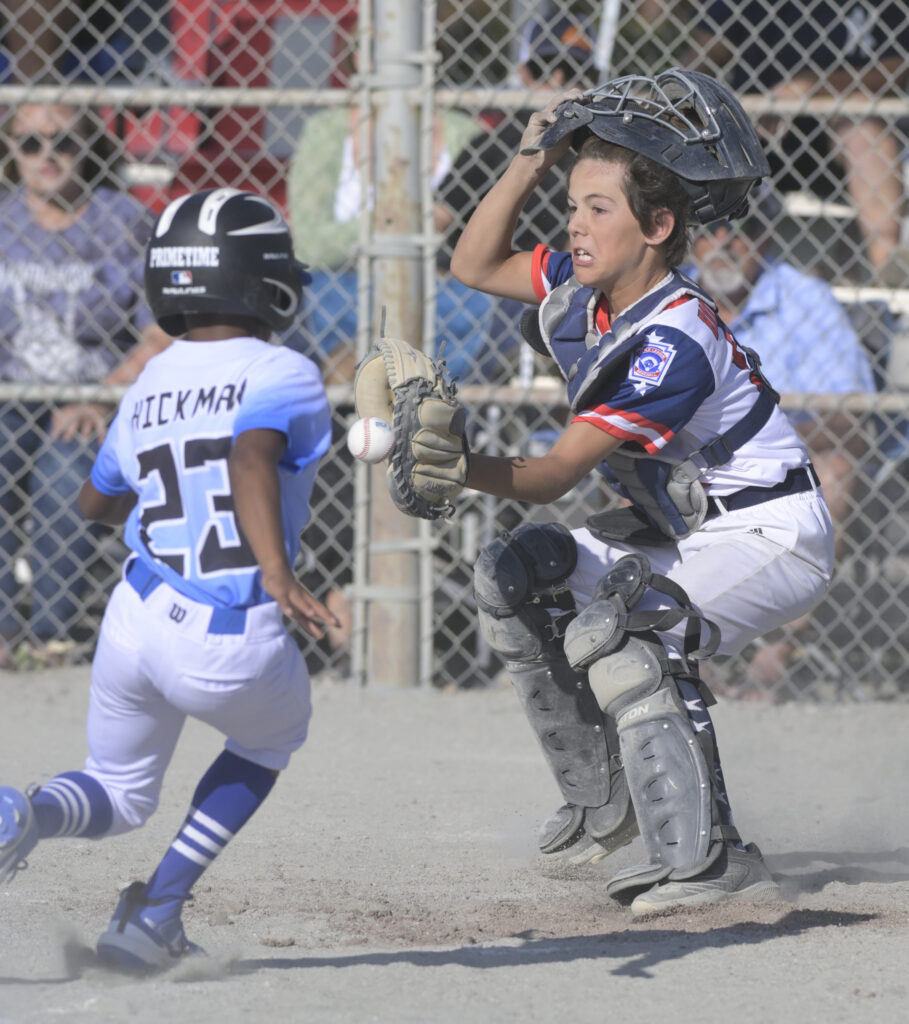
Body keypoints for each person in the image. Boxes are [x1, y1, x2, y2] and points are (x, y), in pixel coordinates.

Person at [444, 69, 835, 914]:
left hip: (767, 533)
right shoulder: (586, 296)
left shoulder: (670, 340)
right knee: (516, 572)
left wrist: (453, 463)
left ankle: (712, 858)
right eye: (574, 203)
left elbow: (550, 475)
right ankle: (606, 810)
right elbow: (471, 261)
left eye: (598, 210)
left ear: (657, 227)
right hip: (683, 526)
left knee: (633, 629)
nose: (575, 225)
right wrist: (532, 154)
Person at [0, 187, 339, 972]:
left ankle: (28, 811)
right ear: (264, 279)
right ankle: (156, 910)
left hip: (135, 616)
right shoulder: (284, 367)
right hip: (230, 630)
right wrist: (279, 572)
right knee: (271, 737)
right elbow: (250, 454)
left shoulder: (150, 380)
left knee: (116, 793)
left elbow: (94, 499)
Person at [0, 100, 172, 666]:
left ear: (87, 147)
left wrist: (100, 396)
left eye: (63, 141)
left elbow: (161, 335)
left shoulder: (120, 220)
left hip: (98, 396)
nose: (47, 156)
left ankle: (52, 634)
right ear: (11, 152)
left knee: (64, 472)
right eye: (30, 143)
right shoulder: (4, 223)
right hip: (12, 395)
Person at [690, 202, 876, 689]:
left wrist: (752, 442)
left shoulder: (804, 298)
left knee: (835, 468)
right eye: (713, 228)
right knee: (632, 472)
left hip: (789, 460)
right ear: (691, 238)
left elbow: (849, 421)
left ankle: (775, 650)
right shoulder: (672, 296)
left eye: (743, 228)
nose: (727, 240)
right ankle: (685, 645)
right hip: (689, 459)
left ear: (766, 238)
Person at [287, 64, 480, 388]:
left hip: (442, 289)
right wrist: (398, 221)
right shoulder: (326, 131)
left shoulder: (465, 133)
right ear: (357, 60)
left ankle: (430, 408)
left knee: (469, 304)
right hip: (344, 285)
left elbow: (475, 243)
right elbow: (309, 245)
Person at [692, 1, 909, 285]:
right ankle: (702, 282)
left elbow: (896, 69)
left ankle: (891, 273)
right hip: (760, 131)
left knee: (864, 133)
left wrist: (811, 88)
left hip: (841, 140)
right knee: (718, 133)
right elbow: (708, 49)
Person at [434, 11, 598, 384]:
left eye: (573, 71)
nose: (557, 80)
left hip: (557, 285)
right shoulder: (491, 144)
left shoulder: (596, 157)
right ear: (524, 74)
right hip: (483, 290)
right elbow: (437, 219)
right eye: (545, 67)